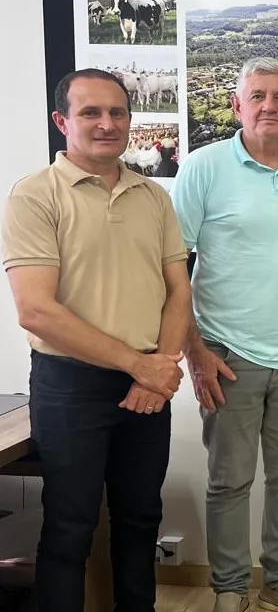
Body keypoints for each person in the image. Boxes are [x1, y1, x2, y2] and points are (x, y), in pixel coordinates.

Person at [0, 68, 191, 612]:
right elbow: (36, 310)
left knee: (140, 520)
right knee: (70, 525)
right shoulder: (34, 196)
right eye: (91, 113)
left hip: (147, 381)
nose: (107, 124)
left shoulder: (153, 196)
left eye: (117, 113)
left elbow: (179, 290)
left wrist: (161, 365)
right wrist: (144, 365)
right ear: (62, 121)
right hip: (70, 385)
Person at [170, 57, 278, 612]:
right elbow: (173, 265)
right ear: (237, 106)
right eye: (258, 96)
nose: (269, 106)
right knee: (229, 481)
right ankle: (228, 590)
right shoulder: (204, 167)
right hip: (226, 353)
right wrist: (193, 352)